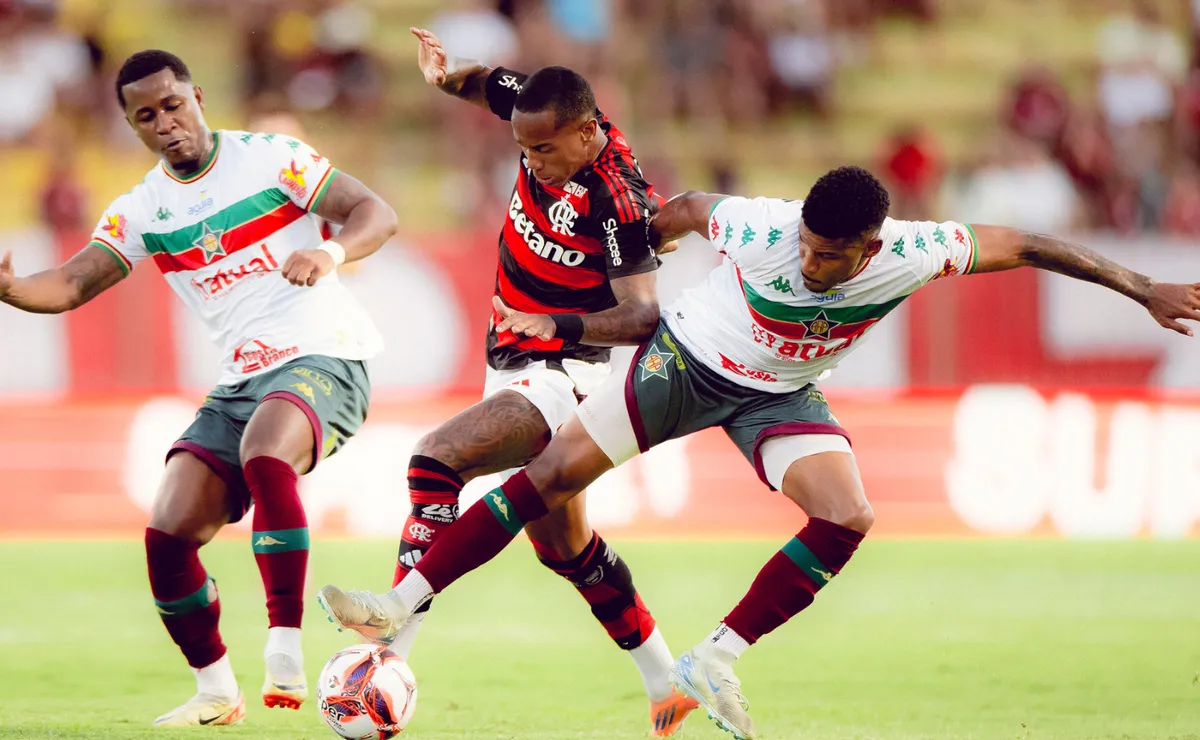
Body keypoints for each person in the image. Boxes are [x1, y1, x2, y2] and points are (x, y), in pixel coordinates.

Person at [318, 165, 1200, 739]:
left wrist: (1141, 288)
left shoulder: (915, 252)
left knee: (848, 514)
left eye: (831, 257)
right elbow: (689, 209)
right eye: (808, 247)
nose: (812, 264)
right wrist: (644, 247)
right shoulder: (763, 227)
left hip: (778, 394)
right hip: (685, 361)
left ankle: (714, 659)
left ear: (871, 247)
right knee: (549, 479)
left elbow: (1030, 244)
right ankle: (398, 604)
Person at [0, 50, 398, 726]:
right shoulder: (142, 210)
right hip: (241, 379)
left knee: (266, 454)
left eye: (173, 105)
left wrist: (328, 251)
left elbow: (375, 212)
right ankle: (216, 691)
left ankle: (284, 646)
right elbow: (69, 283)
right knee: (167, 533)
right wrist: (10, 288)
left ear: (198, 98)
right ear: (132, 125)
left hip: (326, 355)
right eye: (146, 116)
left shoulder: (272, 159)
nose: (165, 123)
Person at [321, 28, 697, 736]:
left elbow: (643, 316)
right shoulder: (540, 108)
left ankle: (389, 646)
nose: (533, 161)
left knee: (437, 460)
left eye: (545, 149)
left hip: (569, 372)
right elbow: (487, 84)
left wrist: (554, 322)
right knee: (566, 549)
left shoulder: (616, 200)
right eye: (524, 148)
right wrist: (448, 76)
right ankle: (667, 682)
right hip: (514, 356)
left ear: (585, 134)